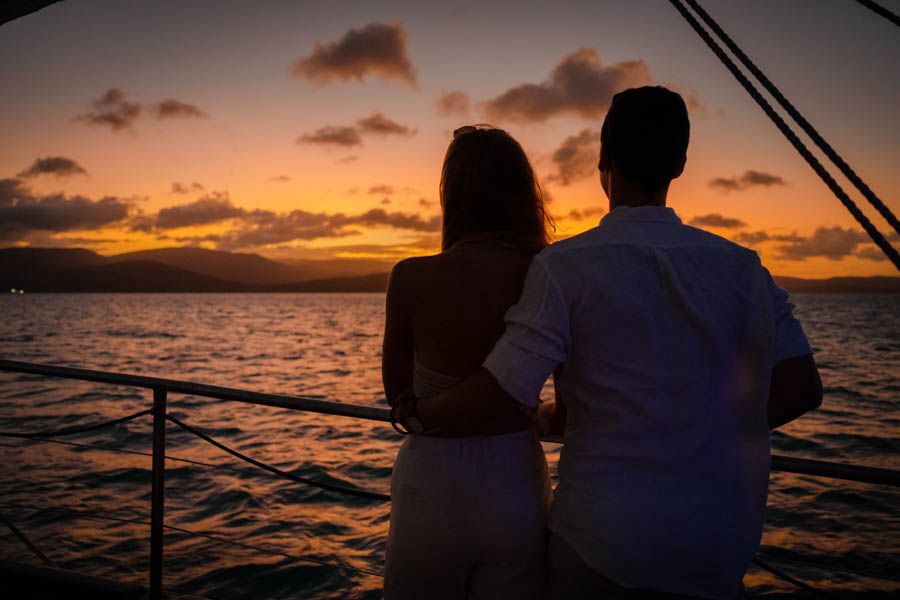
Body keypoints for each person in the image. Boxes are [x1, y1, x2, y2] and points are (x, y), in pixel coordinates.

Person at [399, 87, 823, 599]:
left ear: (603, 157)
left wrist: (420, 413)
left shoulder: (567, 268)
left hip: (603, 543)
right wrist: (692, 426)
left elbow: (506, 390)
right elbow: (802, 388)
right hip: (717, 542)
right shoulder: (745, 269)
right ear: (681, 163)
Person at [382, 125, 555, 599]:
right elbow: (573, 394)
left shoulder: (411, 277)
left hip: (431, 481)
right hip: (513, 482)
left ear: (452, 195)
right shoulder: (546, 274)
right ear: (522, 194)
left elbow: (397, 394)